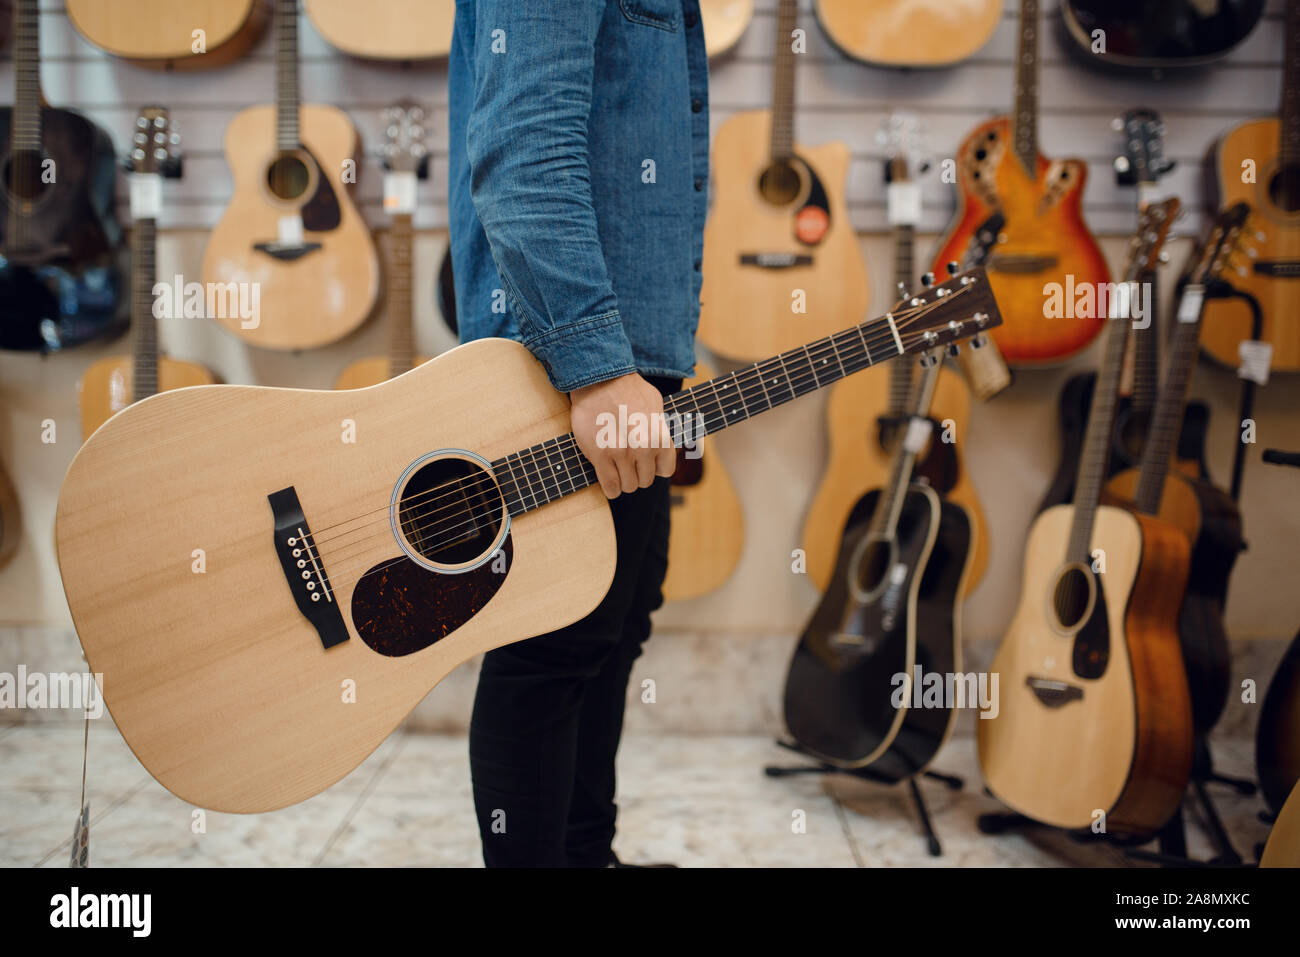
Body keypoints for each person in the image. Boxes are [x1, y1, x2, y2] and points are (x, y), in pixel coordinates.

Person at [447, 0, 709, 866]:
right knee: (552, 648)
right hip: (573, 356)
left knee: (615, 625)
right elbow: (523, 142)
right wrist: (595, 367)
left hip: (625, 351)